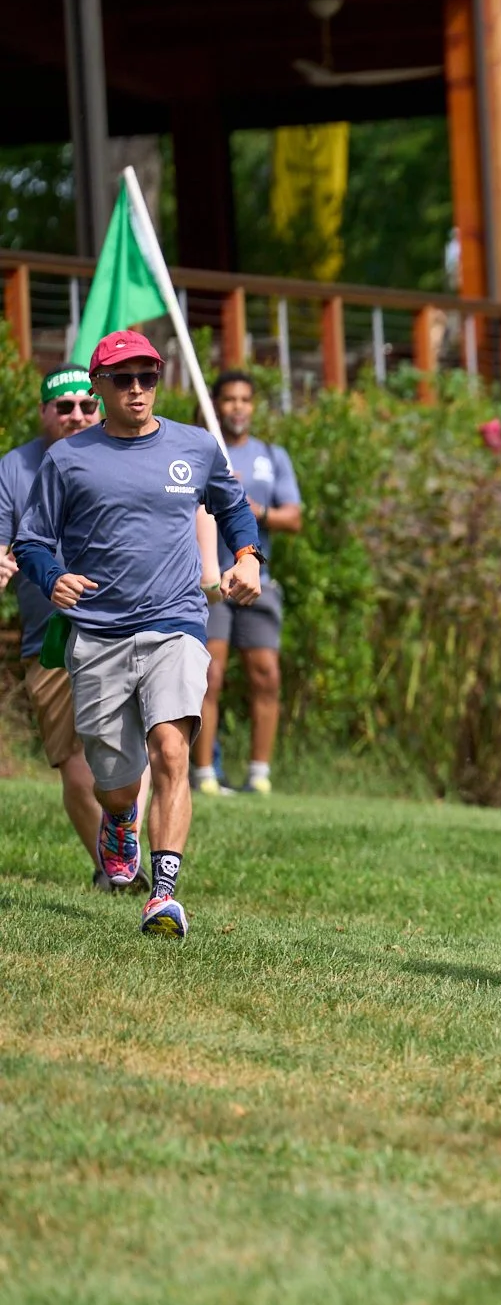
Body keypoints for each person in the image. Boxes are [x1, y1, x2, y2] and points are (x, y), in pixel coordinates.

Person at [13, 332, 264, 938]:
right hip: (97, 633)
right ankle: (119, 819)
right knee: (117, 782)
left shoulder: (195, 447)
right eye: (123, 379)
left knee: (172, 750)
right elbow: (32, 540)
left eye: (147, 377)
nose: (136, 389)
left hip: (175, 621)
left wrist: (248, 556)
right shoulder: (68, 460)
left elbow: (232, 508)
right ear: (99, 387)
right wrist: (53, 578)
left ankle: (165, 895)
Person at [0, 367, 112, 888]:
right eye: (63, 406)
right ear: (43, 411)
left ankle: (137, 852)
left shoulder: (122, 454)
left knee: (141, 746)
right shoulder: (15, 468)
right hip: (50, 634)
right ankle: (113, 868)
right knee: (74, 760)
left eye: (87, 406)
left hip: (122, 623)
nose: (77, 416)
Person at [192, 370, 300, 797]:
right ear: (215, 404)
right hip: (209, 580)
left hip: (258, 580)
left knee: (265, 675)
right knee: (210, 676)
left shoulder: (271, 455)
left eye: (245, 399)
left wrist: (255, 512)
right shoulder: (202, 450)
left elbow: (293, 516)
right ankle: (204, 775)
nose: (238, 407)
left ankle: (259, 773)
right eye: (229, 399)